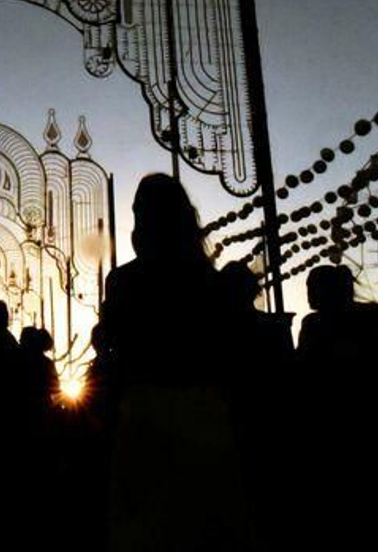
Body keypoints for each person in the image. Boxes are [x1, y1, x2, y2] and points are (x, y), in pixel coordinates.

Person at [96, 174, 258, 551]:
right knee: (205, 524)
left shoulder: (124, 281)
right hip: (204, 409)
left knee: (147, 529)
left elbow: (113, 346)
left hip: (145, 408)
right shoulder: (209, 281)